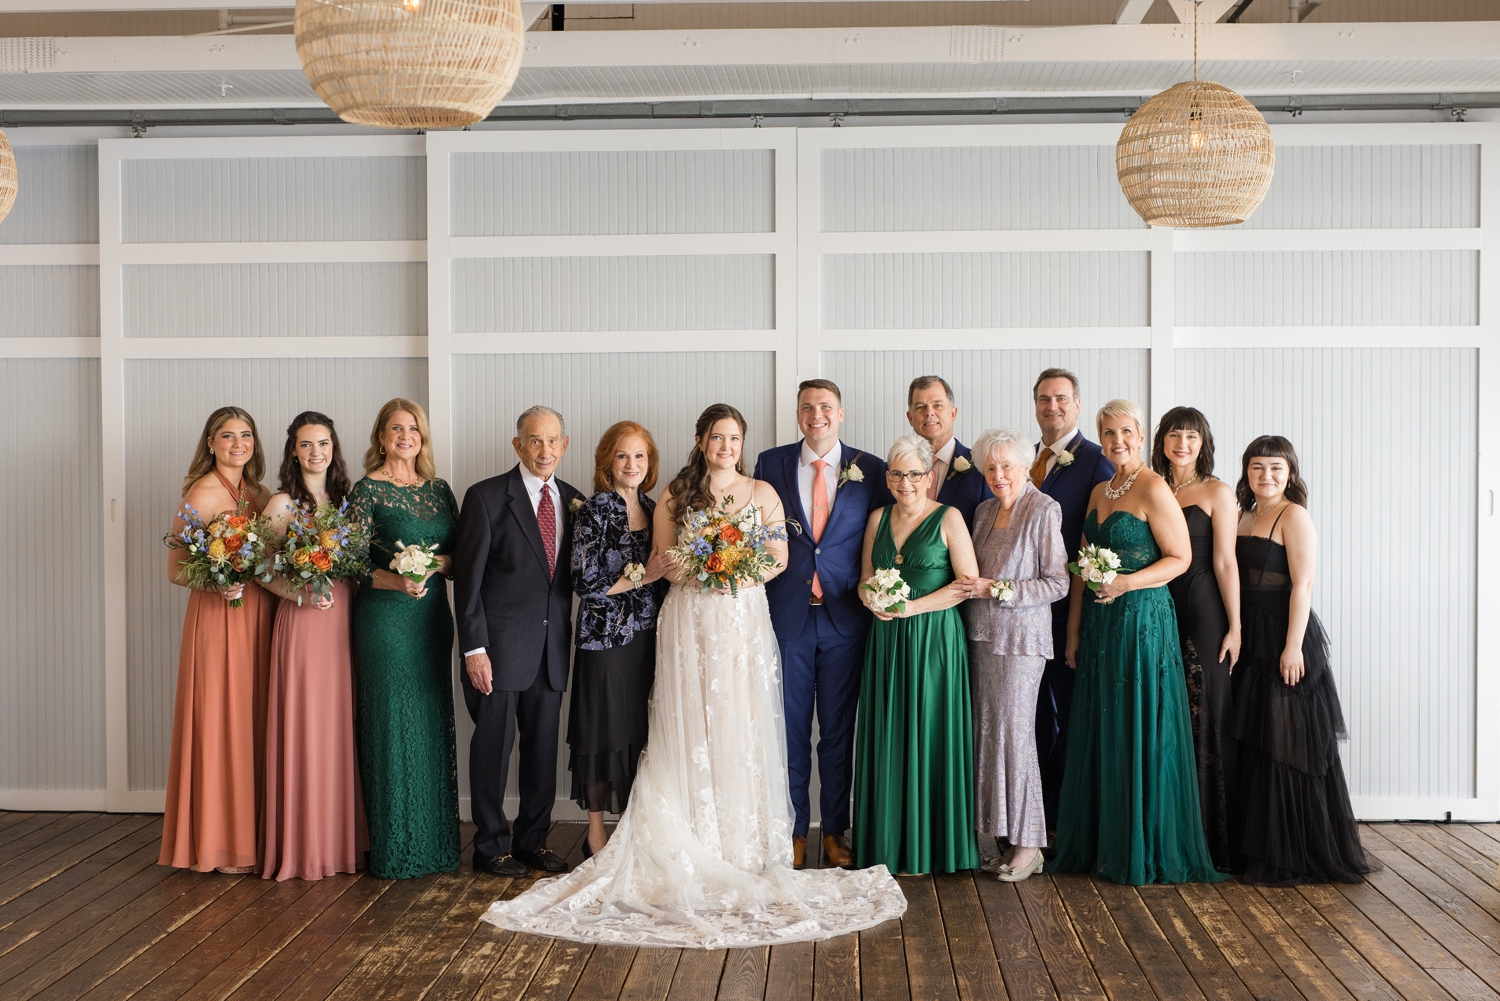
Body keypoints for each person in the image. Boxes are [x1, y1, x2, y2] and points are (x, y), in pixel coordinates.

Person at [481, 404, 906, 948]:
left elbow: (778, 554)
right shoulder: (679, 497)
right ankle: (691, 832)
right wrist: (713, 564)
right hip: (691, 617)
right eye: (715, 437)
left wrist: (742, 568)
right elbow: (664, 559)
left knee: (739, 721)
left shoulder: (762, 492)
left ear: (741, 443)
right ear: (701, 441)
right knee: (689, 721)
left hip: (743, 618)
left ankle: (742, 843)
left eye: (733, 438)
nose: (724, 446)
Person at [1052, 399, 1224, 885]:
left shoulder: (1152, 487)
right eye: (1108, 433)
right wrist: (1073, 630)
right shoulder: (1100, 490)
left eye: (1125, 432)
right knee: (1103, 722)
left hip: (1142, 621)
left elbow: (1181, 558)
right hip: (1101, 626)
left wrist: (1126, 583)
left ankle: (1142, 842)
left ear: (1140, 433)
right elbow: (1082, 566)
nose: (1117, 441)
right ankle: (1101, 841)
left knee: (1137, 719)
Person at [753, 379, 890, 870]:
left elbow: (884, 534)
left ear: (841, 413)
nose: (817, 415)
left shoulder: (870, 468)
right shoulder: (769, 463)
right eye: (808, 407)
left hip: (845, 618)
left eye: (826, 407)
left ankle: (834, 832)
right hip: (786, 616)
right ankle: (792, 833)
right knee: (786, 731)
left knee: (837, 732)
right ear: (797, 413)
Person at [1231, 436, 1375, 885]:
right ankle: (1252, 845)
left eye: (1275, 468)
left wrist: (1292, 647)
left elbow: (1303, 586)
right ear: (1246, 472)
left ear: (1290, 472)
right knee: (1255, 741)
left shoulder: (1295, 516)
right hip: (1249, 635)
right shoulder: (1244, 514)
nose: (1266, 476)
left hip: (1283, 635)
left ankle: (1293, 853)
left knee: (1286, 746)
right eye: (1257, 467)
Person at [455, 406, 584, 878]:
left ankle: (533, 841)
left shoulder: (574, 500)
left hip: (551, 654)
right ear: (518, 445)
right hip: (498, 651)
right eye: (534, 440)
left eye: (552, 441)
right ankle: (490, 846)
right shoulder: (486, 497)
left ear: (564, 445)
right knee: (492, 749)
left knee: (542, 754)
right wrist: (474, 650)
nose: (544, 450)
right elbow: (466, 584)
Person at [854, 434, 981, 876]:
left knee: (930, 732)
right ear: (887, 478)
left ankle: (935, 845)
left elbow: (967, 584)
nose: (904, 482)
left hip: (934, 642)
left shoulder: (949, 518)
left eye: (913, 474)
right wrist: (872, 598)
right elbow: (864, 578)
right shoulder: (877, 518)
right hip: (887, 642)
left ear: (929, 476)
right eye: (896, 473)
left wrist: (911, 607)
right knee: (889, 731)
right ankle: (887, 844)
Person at [348, 399, 462, 879]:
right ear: (380, 436)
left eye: (413, 428)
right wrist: (395, 578)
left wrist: (432, 564)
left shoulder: (440, 490)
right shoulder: (366, 490)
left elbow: (460, 557)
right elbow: (348, 561)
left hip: (431, 620)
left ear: (423, 437)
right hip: (384, 621)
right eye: (396, 428)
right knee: (392, 723)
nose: (405, 435)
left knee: (431, 719)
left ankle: (436, 843)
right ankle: (395, 845)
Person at [160, 406, 275, 874]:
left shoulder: (261, 493)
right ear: (210, 443)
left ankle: (260, 833)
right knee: (222, 720)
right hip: (219, 616)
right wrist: (215, 582)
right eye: (226, 436)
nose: (237, 444)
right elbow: (175, 568)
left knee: (257, 717)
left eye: (245, 434)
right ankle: (222, 842)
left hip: (262, 615)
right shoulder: (201, 494)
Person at [955, 428, 1069, 882]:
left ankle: (1029, 844)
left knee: (1016, 738)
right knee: (985, 736)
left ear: (1025, 467)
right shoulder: (983, 512)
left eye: (1007, 466)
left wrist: (998, 589)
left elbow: (1057, 583)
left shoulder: (1043, 508)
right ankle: (991, 832)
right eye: (991, 467)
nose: (999, 475)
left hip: (1021, 643)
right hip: (980, 637)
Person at [258, 412, 367, 881]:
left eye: (323, 443)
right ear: (293, 451)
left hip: (343, 622)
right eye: (306, 444)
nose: (315, 452)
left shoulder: (347, 500)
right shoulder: (283, 503)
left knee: (338, 726)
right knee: (304, 725)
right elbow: (258, 567)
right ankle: (302, 846)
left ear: (333, 447)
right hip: (303, 624)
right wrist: (298, 592)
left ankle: (338, 843)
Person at [569, 421, 674, 858]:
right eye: (622, 456)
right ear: (607, 463)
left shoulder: (656, 507)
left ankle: (633, 828)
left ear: (650, 463)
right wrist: (643, 578)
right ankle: (595, 833)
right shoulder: (594, 509)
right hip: (604, 641)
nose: (632, 464)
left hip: (648, 638)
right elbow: (584, 580)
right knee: (600, 732)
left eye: (640, 456)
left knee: (638, 732)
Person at [1151, 407, 1241, 870]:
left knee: (1204, 707)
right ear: (1162, 440)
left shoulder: (1217, 491)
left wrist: (1236, 625)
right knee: (1164, 707)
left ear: (1203, 442)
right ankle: (1167, 826)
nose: (1182, 444)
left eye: (1191, 436)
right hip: (1158, 602)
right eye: (1173, 435)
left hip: (1204, 603)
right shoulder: (1150, 484)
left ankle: (1210, 837)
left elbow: (1227, 561)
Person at [1029, 368, 1114, 833]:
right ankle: (1032, 819)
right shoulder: (1026, 460)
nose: (1052, 407)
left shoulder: (1098, 463)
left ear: (1077, 405)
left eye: (1061, 399)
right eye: (1044, 399)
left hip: (1068, 613)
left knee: (1065, 718)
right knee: (1035, 718)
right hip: (1025, 613)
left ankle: (1062, 823)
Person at [905, 375, 987, 529]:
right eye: (920, 407)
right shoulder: (894, 471)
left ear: (953, 413)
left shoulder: (981, 468)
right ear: (910, 418)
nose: (929, 412)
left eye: (937, 405)